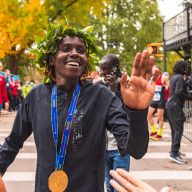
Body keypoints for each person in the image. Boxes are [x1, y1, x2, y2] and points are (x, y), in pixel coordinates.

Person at [0, 24, 157, 192]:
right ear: (51, 58)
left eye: (81, 50)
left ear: (86, 60)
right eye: (66, 48)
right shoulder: (36, 96)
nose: (74, 53)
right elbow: (13, 142)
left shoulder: (101, 96)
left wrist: (137, 112)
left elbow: (136, 149)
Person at [99, 54, 130, 192]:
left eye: (105, 68)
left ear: (115, 68)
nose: (101, 72)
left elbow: (124, 112)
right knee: (108, 183)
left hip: (119, 148)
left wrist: (113, 89)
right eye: (100, 69)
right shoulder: (99, 86)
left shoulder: (125, 86)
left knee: (120, 185)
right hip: (104, 148)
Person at [166, 60, 192, 165]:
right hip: (176, 106)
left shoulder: (174, 77)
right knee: (178, 130)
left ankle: (174, 150)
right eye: (185, 67)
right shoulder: (179, 78)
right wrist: (190, 97)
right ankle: (174, 153)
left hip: (170, 105)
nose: (187, 69)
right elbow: (179, 93)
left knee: (174, 130)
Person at [147, 65, 167, 141]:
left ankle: (159, 134)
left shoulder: (163, 77)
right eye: (153, 70)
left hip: (161, 100)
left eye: (156, 70)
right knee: (148, 115)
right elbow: (149, 87)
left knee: (160, 117)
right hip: (153, 99)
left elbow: (169, 86)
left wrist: (166, 86)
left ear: (159, 71)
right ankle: (154, 131)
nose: (154, 72)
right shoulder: (152, 78)